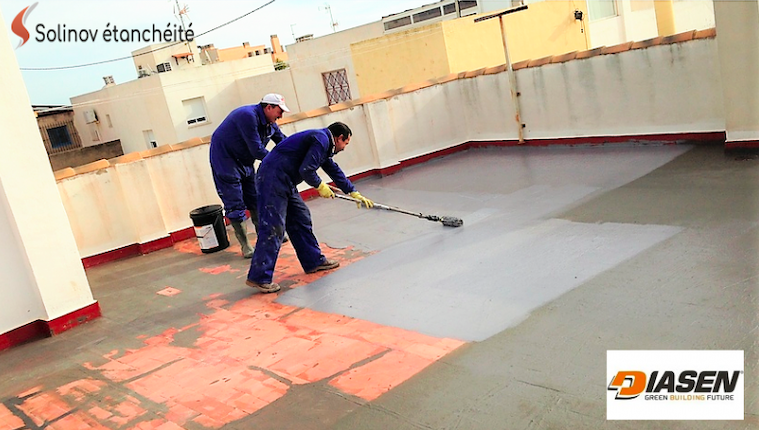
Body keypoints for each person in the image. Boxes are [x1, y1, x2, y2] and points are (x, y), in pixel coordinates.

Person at [246, 122, 374, 293]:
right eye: (346, 143)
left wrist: (353, 191)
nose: (344, 147)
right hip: (272, 180)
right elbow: (307, 169)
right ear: (339, 138)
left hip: (285, 181)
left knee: (301, 218)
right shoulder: (321, 139)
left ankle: (313, 261)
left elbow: (332, 168)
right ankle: (259, 277)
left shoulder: (324, 144)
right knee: (273, 227)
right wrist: (320, 186)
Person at [209, 93, 290, 258]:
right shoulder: (247, 116)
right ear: (268, 107)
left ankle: (264, 235)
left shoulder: (270, 123)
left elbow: (283, 142)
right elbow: (257, 150)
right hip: (225, 161)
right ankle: (245, 245)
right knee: (235, 203)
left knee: (255, 197)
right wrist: (279, 164)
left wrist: (296, 155)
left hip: (245, 161)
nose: (280, 116)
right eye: (279, 111)